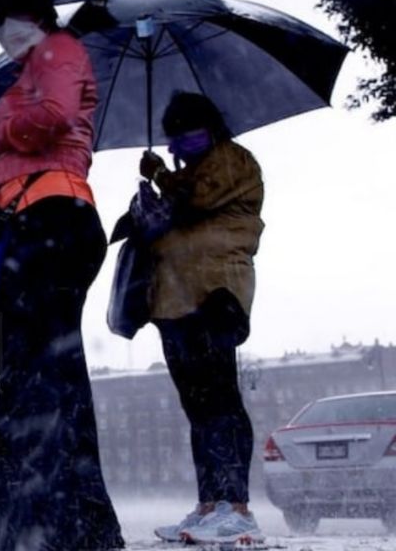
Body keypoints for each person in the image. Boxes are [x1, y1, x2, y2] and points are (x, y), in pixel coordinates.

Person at [0, 0, 123, 551]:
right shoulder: (32, 66)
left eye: (3, 20)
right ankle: (67, 518)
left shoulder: (59, 50)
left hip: (53, 222)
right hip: (32, 224)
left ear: (28, 14)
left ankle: (40, 519)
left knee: (35, 378)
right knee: (46, 375)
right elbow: (20, 138)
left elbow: (52, 117)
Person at [140, 93, 266, 545]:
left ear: (210, 128)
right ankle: (210, 505)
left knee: (220, 401)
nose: (179, 144)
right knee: (198, 407)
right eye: (175, 137)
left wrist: (158, 175)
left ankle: (237, 508)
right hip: (174, 300)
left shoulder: (232, 160)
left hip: (216, 293)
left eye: (186, 134)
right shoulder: (184, 173)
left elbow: (197, 201)